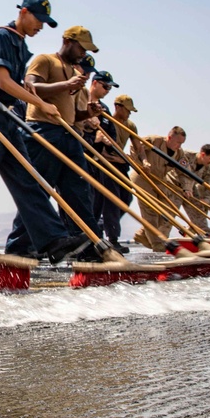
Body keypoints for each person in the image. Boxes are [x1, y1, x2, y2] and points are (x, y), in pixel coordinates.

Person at [0, 0, 102, 263]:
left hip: (11, 117)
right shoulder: (3, 36)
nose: (41, 27)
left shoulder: (21, 43)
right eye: (38, 20)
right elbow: (3, 82)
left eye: (45, 23)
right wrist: (40, 103)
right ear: (23, 13)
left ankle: (53, 240)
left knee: (28, 182)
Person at [21, 27, 105, 243]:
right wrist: (66, 85)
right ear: (67, 41)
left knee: (79, 190)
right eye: (81, 48)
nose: (83, 54)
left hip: (68, 134)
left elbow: (70, 114)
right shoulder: (45, 60)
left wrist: (88, 113)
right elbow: (29, 87)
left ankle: (90, 243)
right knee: (39, 191)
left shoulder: (74, 73)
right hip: (43, 131)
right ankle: (20, 245)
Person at [92, 94, 141, 253]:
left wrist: (134, 160)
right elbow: (98, 145)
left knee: (126, 197)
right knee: (112, 201)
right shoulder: (106, 122)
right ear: (118, 107)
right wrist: (109, 157)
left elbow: (138, 147)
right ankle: (113, 238)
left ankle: (103, 224)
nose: (129, 114)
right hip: (106, 165)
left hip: (121, 165)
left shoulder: (130, 125)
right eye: (127, 110)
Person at [130, 126, 191, 251]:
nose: (179, 146)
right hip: (143, 178)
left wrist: (187, 188)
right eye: (178, 142)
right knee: (150, 210)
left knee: (166, 212)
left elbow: (184, 172)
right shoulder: (155, 141)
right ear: (169, 138)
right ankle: (158, 245)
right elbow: (135, 146)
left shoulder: (179, 153)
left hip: (160, 180)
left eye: (182, 143)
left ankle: (142, 234)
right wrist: (143, 162)